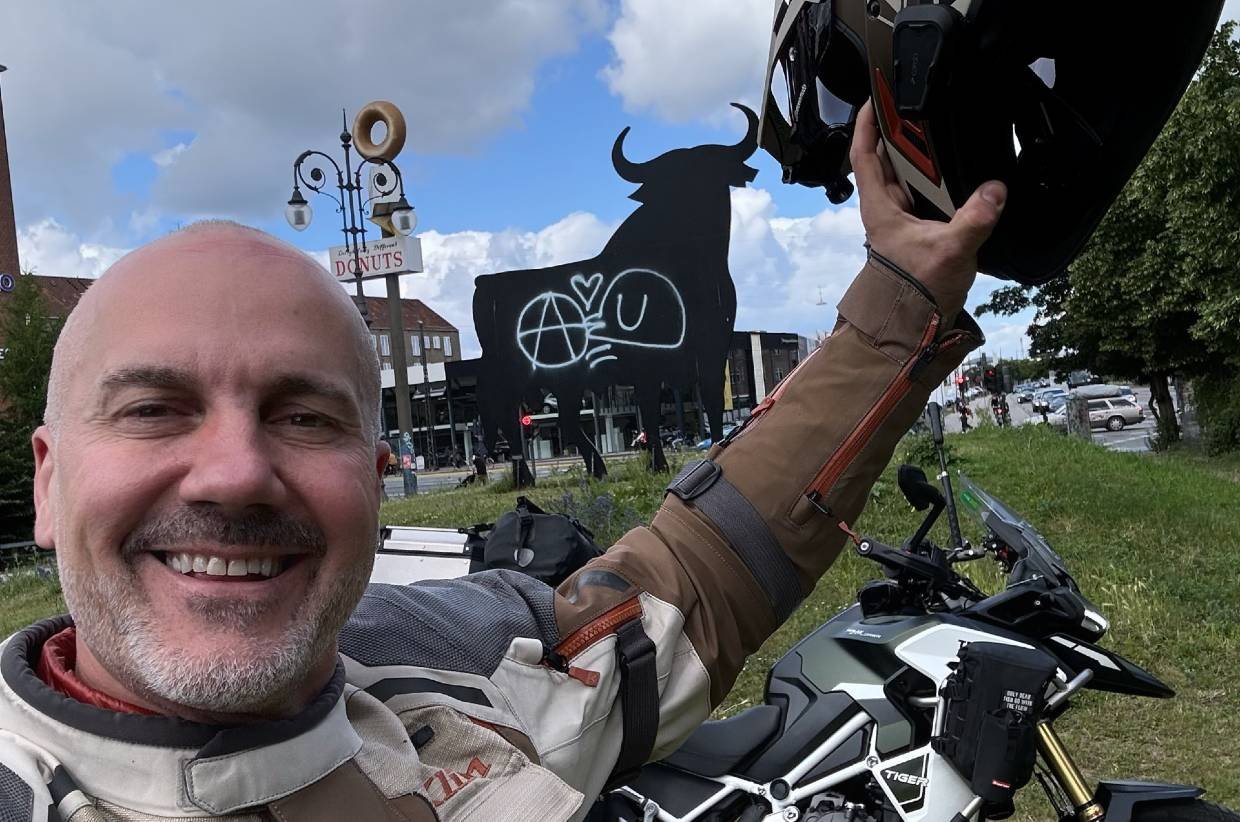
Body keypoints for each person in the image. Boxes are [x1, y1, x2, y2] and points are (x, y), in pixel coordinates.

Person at [0, 103, 1000, 820]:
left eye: (304, 418)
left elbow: (693, 577)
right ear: (48, 480)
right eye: (153, 409)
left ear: (376, 476)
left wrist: (896, 305)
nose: (232, 472)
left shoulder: (462, 677)